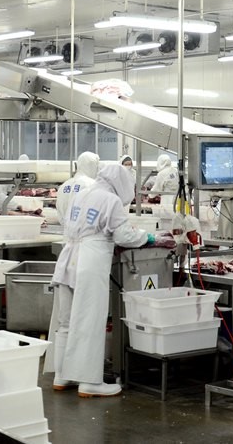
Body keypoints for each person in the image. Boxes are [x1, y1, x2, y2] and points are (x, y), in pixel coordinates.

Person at [51, 165, 154, 397]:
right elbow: (123, 235)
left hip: (69, 257)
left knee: (67, 321)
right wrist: (145, 237)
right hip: (91, 259)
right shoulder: (110, 200)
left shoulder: (81, 194)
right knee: (90, 320)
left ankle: (62, 376)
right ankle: (89, 382)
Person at [56, 151, 100, 224]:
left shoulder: (64, 185)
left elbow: (60, 211)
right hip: (85, 228)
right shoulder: (91, 185)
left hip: (65, 228)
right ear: (92, 166)